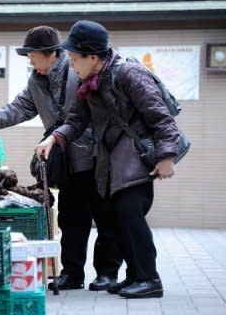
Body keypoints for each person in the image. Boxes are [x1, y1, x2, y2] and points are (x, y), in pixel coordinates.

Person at [0, 25, 122, 291]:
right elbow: (17, 109)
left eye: (33, 55)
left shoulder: (78, 71)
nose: (30, 61)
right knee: (71, 220)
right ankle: (72, 273)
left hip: (97, 157)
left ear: (51, 54)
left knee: (105, 217)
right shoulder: (36, 82)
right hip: (66, 160)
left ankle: (107, 273)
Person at [36, 20, 180, 298]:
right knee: (117, 218)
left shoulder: (129, 74)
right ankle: (134, 277)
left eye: (75, 58)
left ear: (93, 56)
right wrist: (54, 138)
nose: (72, 64)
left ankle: (149, 278)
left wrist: (167, 156)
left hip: (135, 159)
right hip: (112, 161)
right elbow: (76, 121)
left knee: (129, 215)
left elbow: (161, 118)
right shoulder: (87, 82)